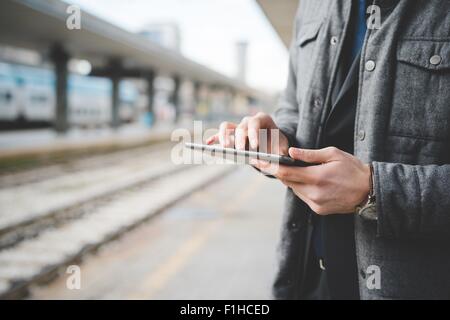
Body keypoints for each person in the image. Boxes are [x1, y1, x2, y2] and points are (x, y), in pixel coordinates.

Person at [207, 0, 450, 300]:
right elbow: (292, 107)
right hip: (307, 277)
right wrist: (275, 141)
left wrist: (375, 190)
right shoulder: (312, 7)